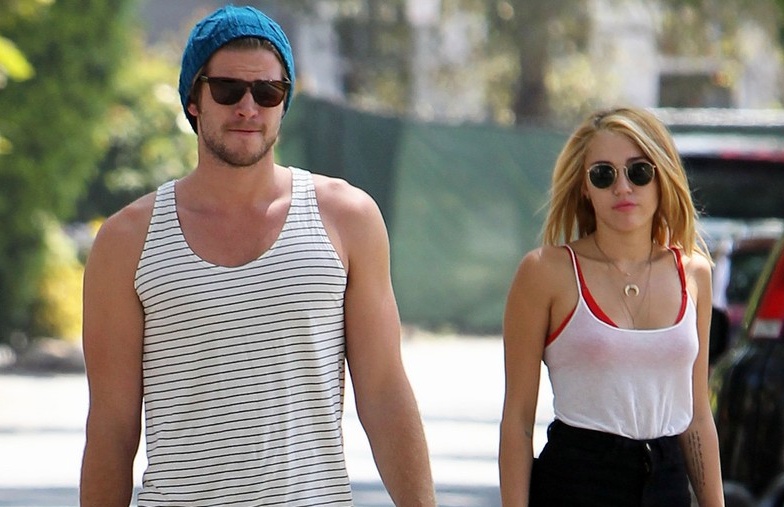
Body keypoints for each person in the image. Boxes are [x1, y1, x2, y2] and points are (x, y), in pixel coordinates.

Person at [79, 5, 436, 506]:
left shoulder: (347, 219)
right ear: (194, 99)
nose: (248, 107)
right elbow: (112, 427)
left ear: (284, 103)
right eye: (228, 89)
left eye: (268, 92)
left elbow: (383, 394)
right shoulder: (126, 241)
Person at [498, 107, 725, 506]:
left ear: (662, 176)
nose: (623, 187)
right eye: (603, 175)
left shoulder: (694, 273)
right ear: (584, 187)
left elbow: (697, 415)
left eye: (639, 172)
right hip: (577, 482)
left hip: (666, 484)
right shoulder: (545, 272)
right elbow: (517, 420)